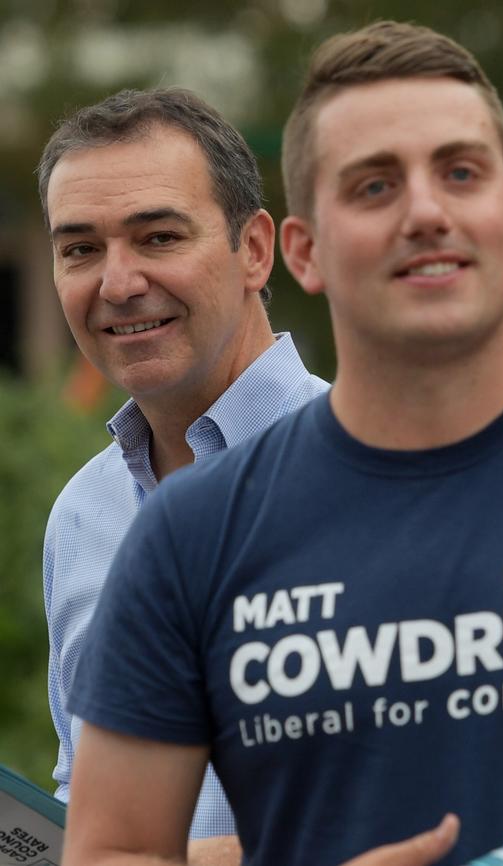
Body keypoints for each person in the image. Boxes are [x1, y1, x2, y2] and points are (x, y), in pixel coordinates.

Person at [61, 20, 503, 866]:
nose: (425, 211)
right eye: (373, 187)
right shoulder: (185, 535)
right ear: (302, 251)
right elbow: (110, 852)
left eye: (461, 172)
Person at [39, 87, 328, 865]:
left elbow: (431, 799)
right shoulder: (82, 515)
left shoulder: (377, 473)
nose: (118, 282)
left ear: (255, 250)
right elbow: (84, 794)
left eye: (158, 236)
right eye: (80, 249)